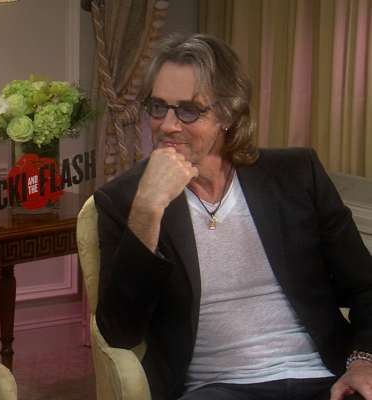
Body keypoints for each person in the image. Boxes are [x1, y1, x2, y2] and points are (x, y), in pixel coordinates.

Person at [94, 33, 372, 400]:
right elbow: (119, 331)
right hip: (217, 389)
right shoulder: (123, 200)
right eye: (158, 107)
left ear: (227, 113)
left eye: (188, 110)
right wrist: (148, 210)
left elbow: (366, 286)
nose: (167, 125)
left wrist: (363, 360)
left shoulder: (296, 174)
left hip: (323, 377)